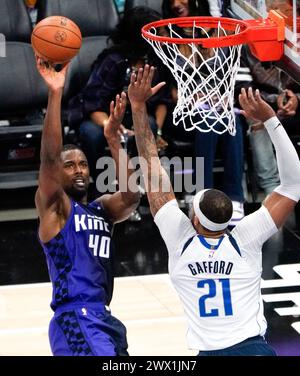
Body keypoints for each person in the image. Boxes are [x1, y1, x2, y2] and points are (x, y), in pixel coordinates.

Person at [127, 65, 300, 355]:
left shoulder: (181, 241)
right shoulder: (244, 238)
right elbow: (293, 186)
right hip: (253, 349)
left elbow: (152, 166)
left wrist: (137, 106)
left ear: (193, 218)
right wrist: (271, 120)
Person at [35, 57, 140, 356]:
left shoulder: (100, 210)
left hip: (104, 317)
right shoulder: (56, 209)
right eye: (70, 166)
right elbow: (50, 159)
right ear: (58, 173)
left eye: (83, 164)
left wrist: (113, 141)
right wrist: (56, 93)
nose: (79, 170)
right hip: (76, 317)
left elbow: (131, 196)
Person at [162, 0, 245, 225]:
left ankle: (235, 198)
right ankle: (203, 196)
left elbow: (237, 77)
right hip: (181, 115)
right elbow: (169, 89)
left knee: (231, 118)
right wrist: (192, 97)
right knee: (212, 118)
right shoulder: (169, 36)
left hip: (217, 107)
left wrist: (223, 98)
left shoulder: (219, 33)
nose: (176, 4)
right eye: (171, 1)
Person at [68, 6, 170, 184]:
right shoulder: (113, 61)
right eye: (157, 33)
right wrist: (110, 125)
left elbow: (162, 100)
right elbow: (92, 102)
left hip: (136, 116)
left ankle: (139, 186)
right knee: (92, 134)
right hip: (102, 117)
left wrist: (158, 132)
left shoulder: (155, 60)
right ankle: (101, 185)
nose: (162, 37)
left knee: (150, 126)